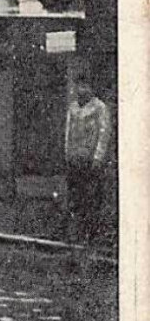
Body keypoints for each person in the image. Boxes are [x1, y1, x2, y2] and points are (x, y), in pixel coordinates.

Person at [64, 72, 112, 243]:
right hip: (75, 159)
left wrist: (98, 157)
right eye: (79, 86)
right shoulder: (73, 108)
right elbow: (68, 132)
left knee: (91, 197)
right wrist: (67, 153)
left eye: (86, 86)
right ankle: (75, 234)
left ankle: (92, 235)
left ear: (92, 88)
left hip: (90, 161)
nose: (82, 90)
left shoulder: (100, 108)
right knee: (75, 198)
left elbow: (103, 133)